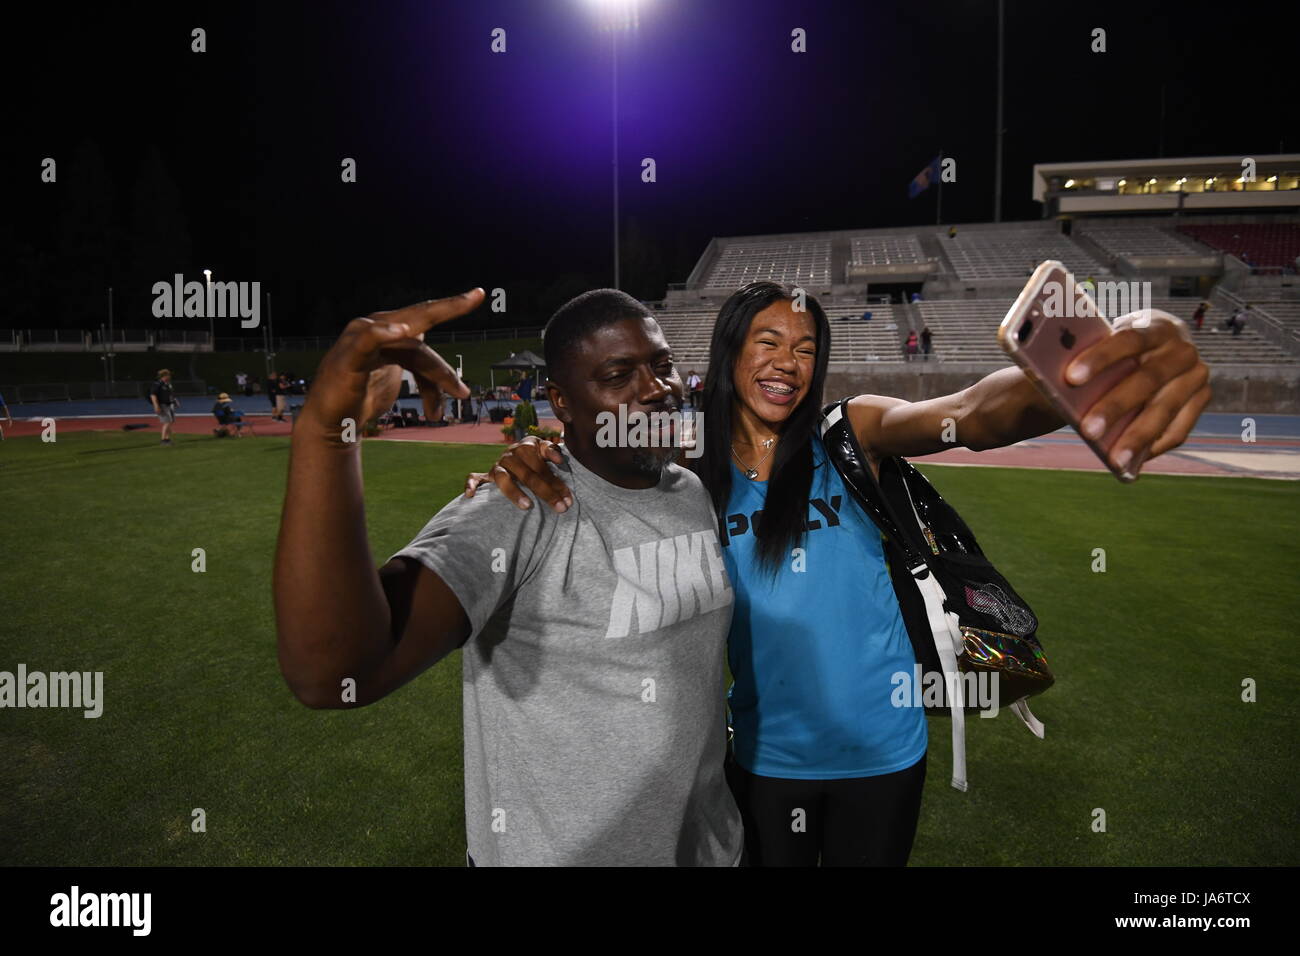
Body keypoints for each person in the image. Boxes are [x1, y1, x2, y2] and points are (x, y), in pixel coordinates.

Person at [471, 279, 1211, 867]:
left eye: (805, 347)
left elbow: (974, 415)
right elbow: (594, 451)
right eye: (767, 341)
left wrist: (1116, 360)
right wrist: (530, 456)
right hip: (762, 762)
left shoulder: (850, 433)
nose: (787, 363)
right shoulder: (685, 470)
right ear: (730, 352)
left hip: (883, 756)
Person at [274, 288, 743, 867]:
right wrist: (326, 431)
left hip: (711, 849)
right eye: (619, 374)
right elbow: (333, 674)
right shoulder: (517, 504)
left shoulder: (689, 490)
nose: (656, 388)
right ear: (562, 403)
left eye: (662, 365)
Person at [149, 369, 179, 445]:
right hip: (162, 405)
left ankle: (167, 439)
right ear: (164, 376)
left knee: (170, 421)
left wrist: (175, 401)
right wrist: (156, 406)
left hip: (169, 405)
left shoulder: (168, 384)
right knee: (167, 422)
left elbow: (171, 394)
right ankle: (163, 440)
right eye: (168, 375)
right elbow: (153, 395)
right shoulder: (157, 384)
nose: (169, 376)